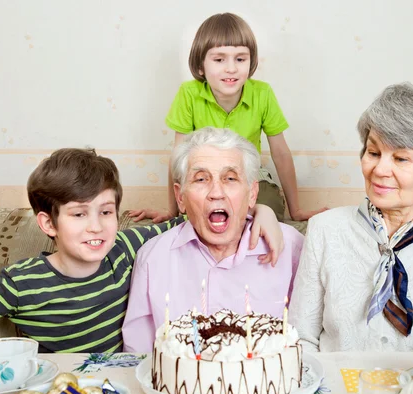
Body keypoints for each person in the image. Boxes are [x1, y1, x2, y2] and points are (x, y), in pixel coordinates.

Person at [0, 148, 283, 354]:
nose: (96, 226)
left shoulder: (125, 246)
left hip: (120, 392)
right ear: (48, 224)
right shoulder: (19, 284)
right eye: (78, 214)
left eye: (106, 212)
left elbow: (196, 216)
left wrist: (260, 212)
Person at [288, 83, 413, 352]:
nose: (380, 170)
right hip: (337, 391)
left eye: (401, 159)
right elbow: (301, 338)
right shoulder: (325, 230)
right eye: (373, 153)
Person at [129, 12, 327, 223]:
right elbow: (179, 157)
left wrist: (296, 210)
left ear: (251, 63)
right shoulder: (188, 94)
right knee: (198, 209)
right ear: (200, 66)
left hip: (248, 173)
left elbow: (281, 153)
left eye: (240, 59)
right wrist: (172, 210)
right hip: (204, 173)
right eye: (219, 59)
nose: (231, 68)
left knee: (265, 208)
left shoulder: (263, 93)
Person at [122, 128, 304, 353]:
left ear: (253, 193)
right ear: (180, 197)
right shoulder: (153, 258)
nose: (216, 192)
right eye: (201, 179)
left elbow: (306, 346)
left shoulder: (293, 248)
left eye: (230, 178)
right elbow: (139, 358)